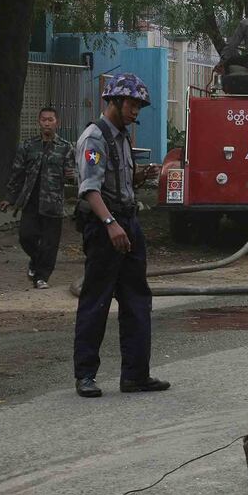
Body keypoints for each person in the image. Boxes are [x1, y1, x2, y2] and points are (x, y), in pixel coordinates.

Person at [73, 73, 167, 398]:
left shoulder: (123, 137)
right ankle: (85, 375)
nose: (135, 111)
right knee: (96, 300)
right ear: (113, 101)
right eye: (131, 104)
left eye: (139, 106)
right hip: (105, 228)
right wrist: (111, 223)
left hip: (128, 223)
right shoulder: (94, 138)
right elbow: (89, 190)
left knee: (137, 299)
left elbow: (118, 183)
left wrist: (138, 178)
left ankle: (136, 375)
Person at [0, 107, 75, 289]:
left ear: (57, 123)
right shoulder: (28, 146)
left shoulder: (66, 147)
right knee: (26, 236)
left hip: (53, 202)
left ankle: (42, 277)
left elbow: (73, 174)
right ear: (39, 122)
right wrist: (10, 197)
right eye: (44, 120)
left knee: (50, 243)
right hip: (31, 200)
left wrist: (72, 176)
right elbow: (17, 173)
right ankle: (36, 261)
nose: (47, 123)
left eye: (51, 119)